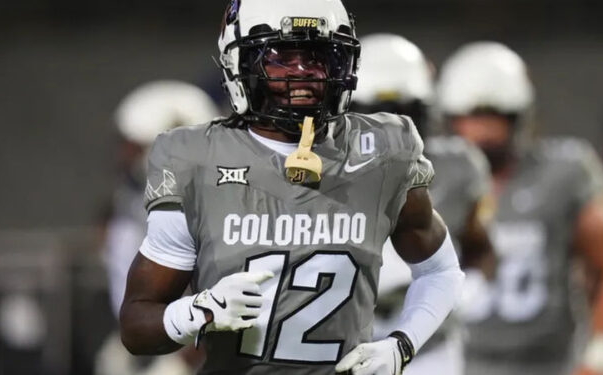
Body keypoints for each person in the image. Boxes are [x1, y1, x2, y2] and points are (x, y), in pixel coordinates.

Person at [119, 1, 464, 375]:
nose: (302, 73)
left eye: (318, 57)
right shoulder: (195, 159)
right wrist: (198, 312)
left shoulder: (383, 150)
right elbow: (137, 325)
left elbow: (440, 272)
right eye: (282, 58)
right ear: (243, 65)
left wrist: (402, 344)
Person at [438, 42, 603, 375]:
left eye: (493, 117)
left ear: (519, 118)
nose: (480, 131)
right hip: (452, 364)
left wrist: (600, 360)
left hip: (544, 364)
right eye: (470, 117)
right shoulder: (430, 179)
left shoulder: (561, 175)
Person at [351, 33, 493, 374]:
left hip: (428, 348)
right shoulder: (322, 168)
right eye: (379, 114)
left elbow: (480, 245)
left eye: (404, 113)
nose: (394, 128)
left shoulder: (459, 166)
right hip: (348, 346)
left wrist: (465, 287)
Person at [96, 80, 219, 375]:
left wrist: (184, 358)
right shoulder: (133, 196)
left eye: (135, 146)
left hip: (194, 344)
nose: (125, 157)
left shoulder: (210, 204)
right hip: (153, 333)